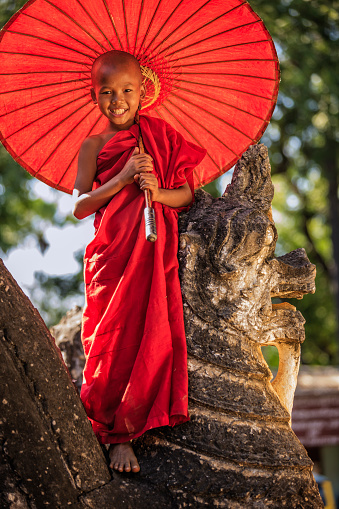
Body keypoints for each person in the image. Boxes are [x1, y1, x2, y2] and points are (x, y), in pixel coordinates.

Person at [73, 50, 205, 474]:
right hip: (111, 253)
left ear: (143, 91)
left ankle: (137, 423)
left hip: (152, 249)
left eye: (127, 90)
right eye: (107, 92)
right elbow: (79, 205)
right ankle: (117, 437)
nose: (118, 100)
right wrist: (123, 176)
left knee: (150, 334)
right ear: (95, 96)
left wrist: (157, 191)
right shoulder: (93, 145)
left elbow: (187, 195)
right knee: (112, 335)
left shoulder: (162, 137)